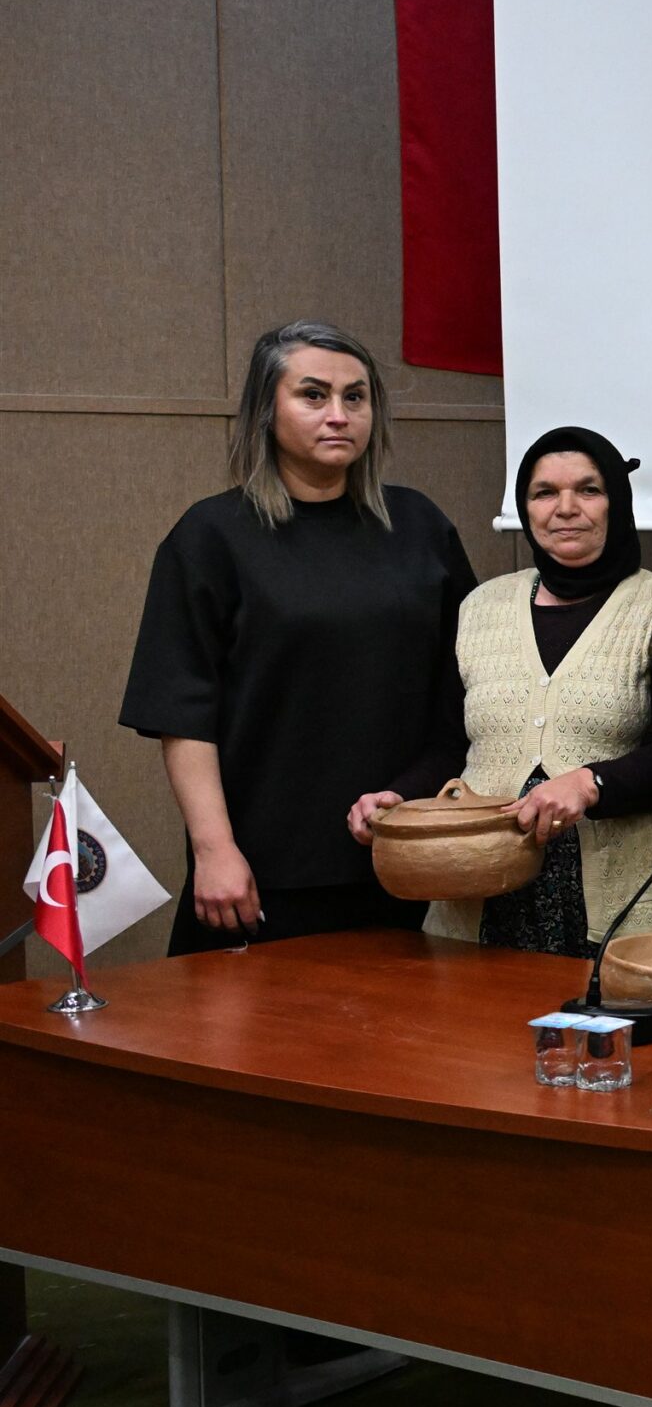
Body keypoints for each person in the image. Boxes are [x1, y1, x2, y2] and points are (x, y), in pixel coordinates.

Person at [121, 320, 476, 953]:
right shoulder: (211, 536)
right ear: (266, 410)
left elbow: (461, 695)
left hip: (404, 864)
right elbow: (181, 715)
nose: (338, 415)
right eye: (313, 395)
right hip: (259, 877)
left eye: (355, 397)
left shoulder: (421, 526)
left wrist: (413, 791)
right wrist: (215, 850)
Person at [345, 429, 652, 957]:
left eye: (588, 490)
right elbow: (449, 747)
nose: (565, 508)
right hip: (475, 898)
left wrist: (591, 783)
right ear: (525, 508)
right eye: (545, 493)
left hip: (612, 913)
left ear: (618, 500)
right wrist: (399, 798)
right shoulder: (480, 607)